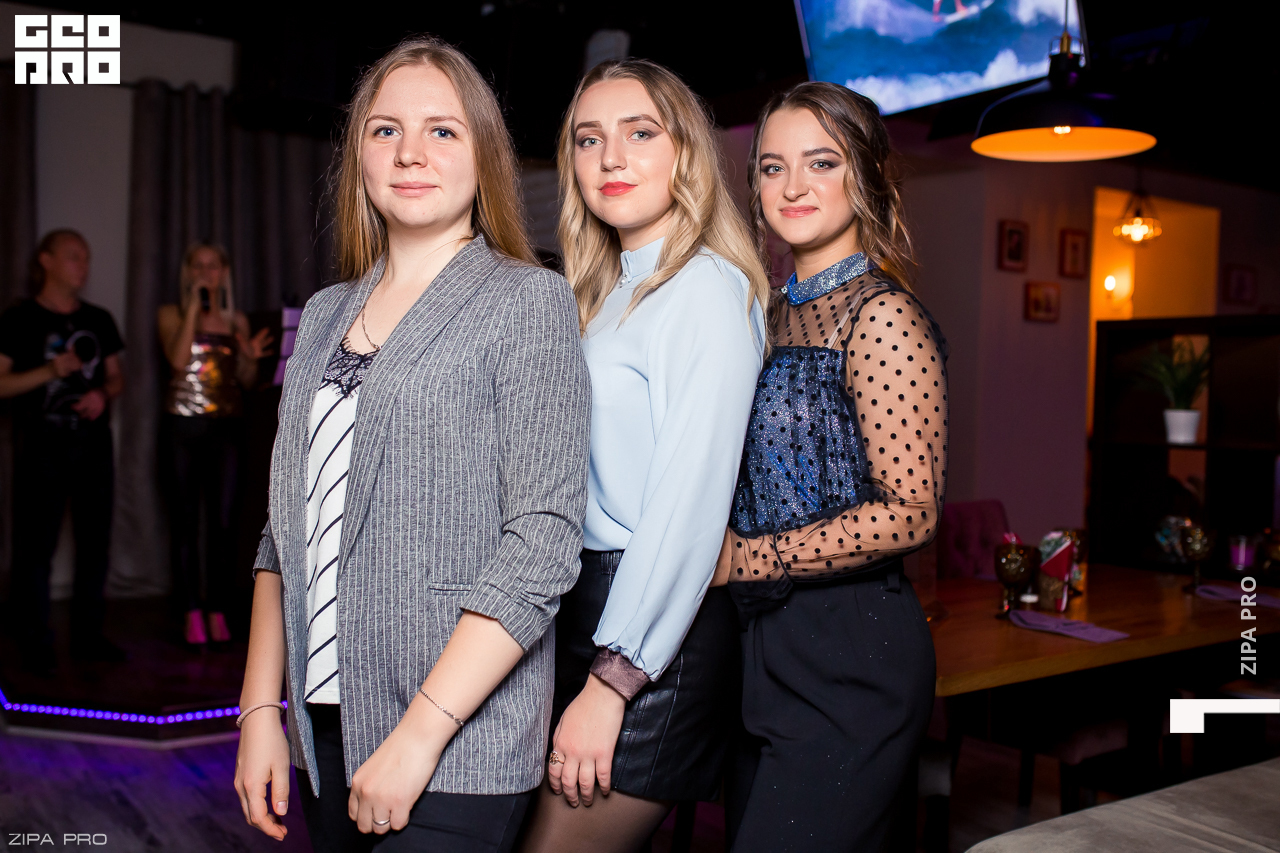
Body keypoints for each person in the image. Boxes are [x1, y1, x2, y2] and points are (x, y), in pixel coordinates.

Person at [233, 36, 590, 853]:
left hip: (456, 741)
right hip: (325, 728)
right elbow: (284, 530)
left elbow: (541, 544)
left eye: (443, 130)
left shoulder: (528, 300)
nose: (410, 153)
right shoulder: (323, 314)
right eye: (386, 129)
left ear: (482, 155)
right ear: (358, 153)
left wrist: (420, 734)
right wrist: (259, 712)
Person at [521, 59, 768, 853]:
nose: (610, 158)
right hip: (586, 607)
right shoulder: (605, 293)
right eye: (588, 139)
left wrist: (614, 677)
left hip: (652, 634)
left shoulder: (706, 288)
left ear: (685, 152)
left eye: (639, 133)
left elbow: (688, 506)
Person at [717, 81, 947, 852]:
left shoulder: (881, 315)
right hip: (761, 648)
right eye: (772, 166)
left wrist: (747, 558)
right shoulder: (768, 311)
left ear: (866, 175)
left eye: (821, 162)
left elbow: (911, 510)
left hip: (853, 655)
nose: (792, 185)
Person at [0, 229, 125, 673]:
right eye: (73, 256)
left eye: (86, 258)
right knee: (36, 547)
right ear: (46, 260)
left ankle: (88, 637)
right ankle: (35, 639)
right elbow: (2, 383)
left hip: (92, 446)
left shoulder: (99, 318)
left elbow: (116, 376)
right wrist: (50, 370)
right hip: (42, 446)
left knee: (95, 543)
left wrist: (102, 395)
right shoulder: (18, 319)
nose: (82, 266)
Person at [157, 243, 273, 645]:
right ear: (188, 273)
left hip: (226, 431)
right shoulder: (171, 314)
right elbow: (177, 361)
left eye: (213, 266)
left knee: (224, 524)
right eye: (198, 266)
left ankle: (217, 609)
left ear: (224, 273)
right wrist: (194, 305)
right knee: (185, 522)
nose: (206, 272)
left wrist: (249, 357)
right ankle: (191, 611)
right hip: (181, 429)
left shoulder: (235, 319)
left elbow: (246, 379)